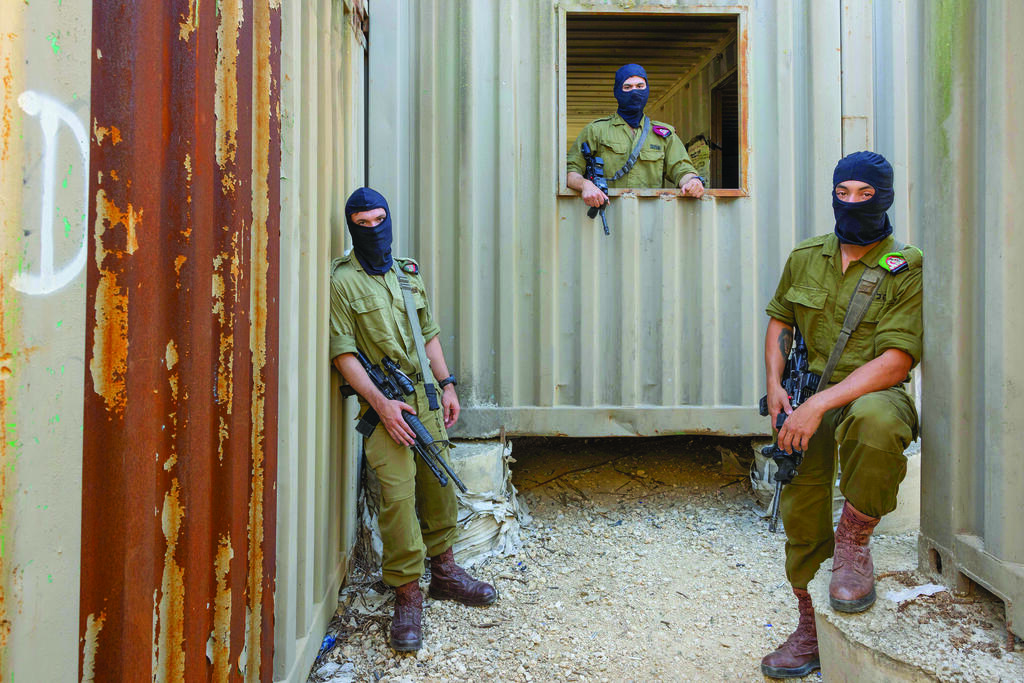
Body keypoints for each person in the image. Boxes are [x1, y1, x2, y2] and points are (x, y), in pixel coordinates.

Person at [760, 152, 923, 678]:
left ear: (886, 196)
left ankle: (854, 542)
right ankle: (808, 628)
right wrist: (776, 388)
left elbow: (896, 359)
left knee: (877, 421)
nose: (851, 202)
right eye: (843, 191)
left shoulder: (906, 266)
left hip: (870, 392)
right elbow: (780, 319)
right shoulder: (807, 256)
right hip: (806, 394)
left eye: (865, 194)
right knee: (803, 507)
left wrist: (817, 406)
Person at [329, 187, 497, 653]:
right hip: (382, 408)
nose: (372, 230)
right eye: (362, 224)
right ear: (351, 226)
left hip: (424, 397)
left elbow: (428, 334)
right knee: (398, 496)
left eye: (379, 220)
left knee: (440, 483)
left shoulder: (407, 274)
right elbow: (343, 353)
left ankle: (443, 571)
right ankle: (406, 592)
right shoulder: (342, 282)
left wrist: (447, 384)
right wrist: (380, 405)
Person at [566, 63, 705, 209]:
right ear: (617, 92)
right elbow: (570, 171)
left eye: (640, 86)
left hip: (651, 215)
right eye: (627, 87)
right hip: (605, 213)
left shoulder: (664, 134)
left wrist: (692, 181)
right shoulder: (596, 130)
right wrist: (585, 185)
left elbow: (682, 170)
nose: (634, 92)